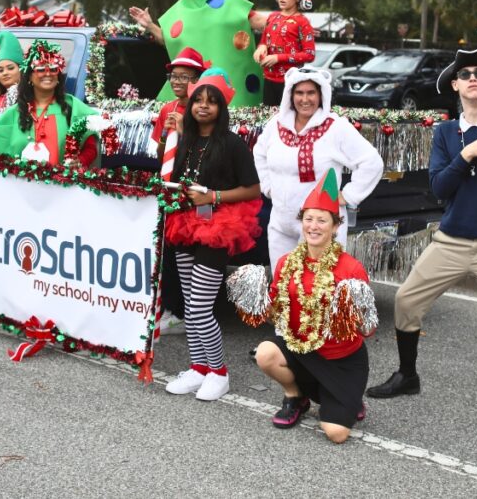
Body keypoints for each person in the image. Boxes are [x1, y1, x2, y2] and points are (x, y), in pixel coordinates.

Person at [365, 48, 477, 435]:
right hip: (451, 240)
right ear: (454, 85)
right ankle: (407, 375)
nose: (471, 78)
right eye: (464, 74)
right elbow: (438, 187)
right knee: (406, 301)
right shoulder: (446, 133)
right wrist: (465, 154)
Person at [249, 169, 377, 443]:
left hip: (340, 358)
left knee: (337, 434)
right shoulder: (286, 263)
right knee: (265, 353)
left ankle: (348, 398)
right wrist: (257, 304)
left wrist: (350, 315)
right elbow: (276, 313)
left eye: (322, 220)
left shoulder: (351, 269)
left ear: (335, 226)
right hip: (300, 348)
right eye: (308, 219)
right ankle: (296, 396)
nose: (314, 226)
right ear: (301, 223)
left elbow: (368, 327)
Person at [163, 69, 262, 401]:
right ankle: (198, 367)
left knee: (200, 307)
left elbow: (253, 189)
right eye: (198, 100)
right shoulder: (185, 140)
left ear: (222, 108)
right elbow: (170, 176)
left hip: (218, 228)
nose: (203, 106)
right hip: (185, 224)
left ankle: (219, 372)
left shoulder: (233, 144)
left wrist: (213, 197)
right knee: (190, 302)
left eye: (212, 101)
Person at [253, 67, 383, 265]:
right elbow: (259, 152)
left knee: (318, 288)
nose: (305, 99)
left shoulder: (336, 127)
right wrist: (268, 186)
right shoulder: (275, 125)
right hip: (281, 222)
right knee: (282, 285)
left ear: (321, 95)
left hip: (320, 225)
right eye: (299, 93)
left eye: (311, 92)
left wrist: (348, 196)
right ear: (290, 95)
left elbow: (371, 162)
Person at [128, 0, 267, 107]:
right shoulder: (178, 9)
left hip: (233, 84)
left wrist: (289, 22)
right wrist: (149, 25)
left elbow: (256, 20)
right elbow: (169, 39)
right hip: (194, 92)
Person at [150, 46, 209, 336]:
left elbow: (209, 152)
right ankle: (173, 308)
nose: (177, 82)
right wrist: (165, 137)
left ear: (197, 80)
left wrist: (185, 132)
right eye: (174, 76)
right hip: (171, 186)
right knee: (170, 250)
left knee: (196, 250)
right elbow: (160, 153)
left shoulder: (204, 109)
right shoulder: (167, 109)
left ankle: (193, 312)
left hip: (197, 190)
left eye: (184, 77)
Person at [0, 39, 99, 165]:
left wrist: (80, 161)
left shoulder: (73, 108)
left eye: (53, 69)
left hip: (61, 183)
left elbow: (91, 146)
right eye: (40, 69)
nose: (48, 74)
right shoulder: (13, 114)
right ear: (29, 76)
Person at [253, 0, 317, 106]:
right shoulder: (272, 17)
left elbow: (309, 54)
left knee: (288, 120)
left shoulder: (303, 22)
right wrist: (261, 48)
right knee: (269, 119)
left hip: (291, 82)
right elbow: (264, 41)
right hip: (268, 79)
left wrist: (278, 58)